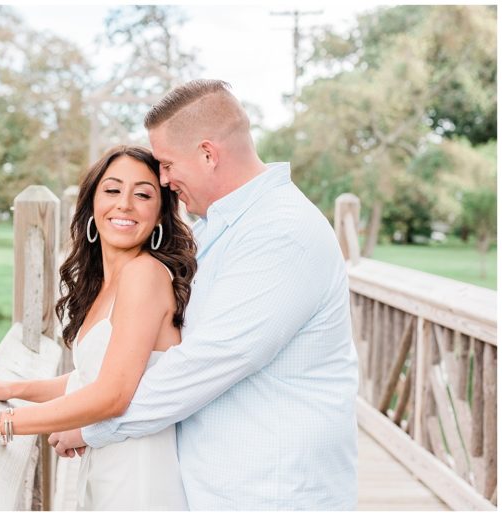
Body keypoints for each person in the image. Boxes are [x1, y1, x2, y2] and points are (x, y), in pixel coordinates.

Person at [48, 79, 360, 510]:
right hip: (213, 486)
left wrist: (91, 427)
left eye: (167, 164)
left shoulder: (283, 232)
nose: (163, 179)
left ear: (209, 154)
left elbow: (208, 360)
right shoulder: (215, 229)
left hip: (273, 490)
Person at [0, 145, 197, 510]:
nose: (124, 203)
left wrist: (1, 422)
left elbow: (113, 394)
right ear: (92, 205)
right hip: (106, 465)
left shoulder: (145, 274)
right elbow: (91, 378)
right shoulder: (107, 283)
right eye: (112, 190)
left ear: (159, 216)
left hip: (139, 478)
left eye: (142, 194)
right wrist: (15, 388)